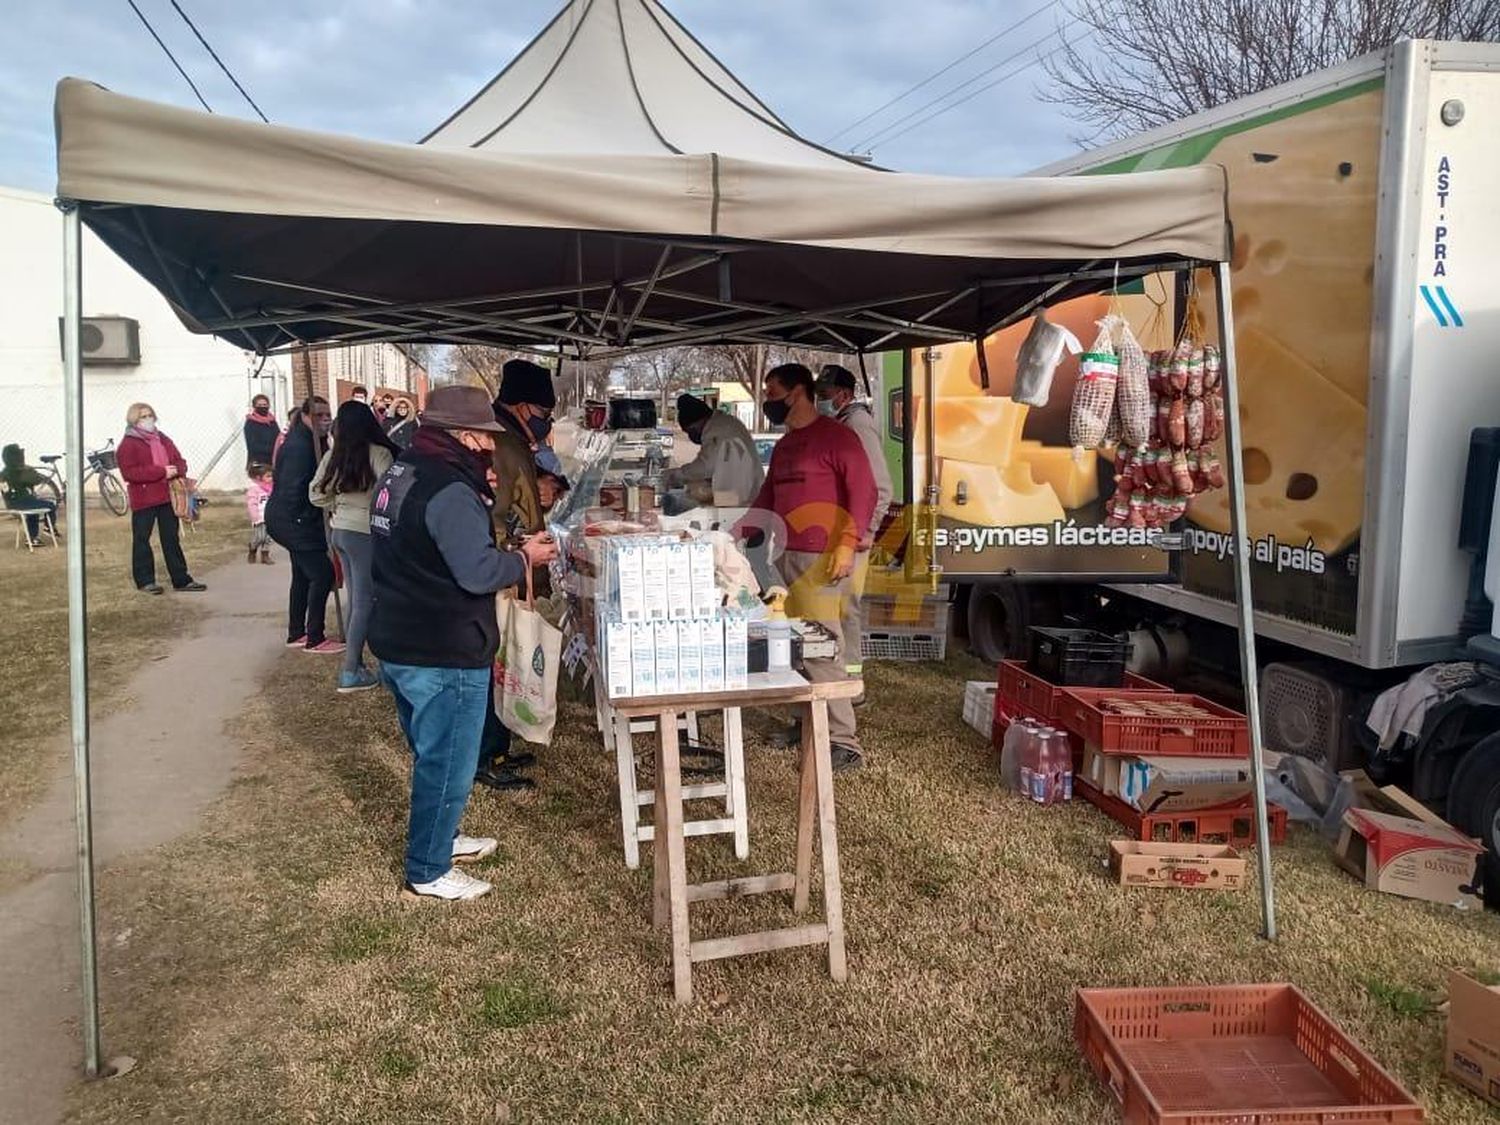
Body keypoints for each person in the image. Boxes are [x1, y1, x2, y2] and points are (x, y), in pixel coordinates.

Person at [368, 385, 558, 901]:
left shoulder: (402, 471)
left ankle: (441, 838)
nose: (488, 448)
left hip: (400, 636)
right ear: (464, 434)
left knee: (435, 753)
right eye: (483, 438)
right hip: (442, 646)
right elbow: (476, 572)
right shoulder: (449, 489)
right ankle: (427, 868)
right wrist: (525, 560)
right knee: (448, 760)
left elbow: (434, 549)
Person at [738, 364, 875, 771]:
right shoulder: (785, 446)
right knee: (792, 648)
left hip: (824, 560)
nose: (768, 399)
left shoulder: (839, 439)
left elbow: (864, 494)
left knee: (822, 647)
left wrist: (848, 545)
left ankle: (842, 740)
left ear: (798, 393)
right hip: (787, 553)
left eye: (772, 391)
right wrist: (734, 532)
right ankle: (806, 724)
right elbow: (767, 496)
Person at [476, 357, 559, 791]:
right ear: (525, 407)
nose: (547, 422)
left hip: (511, 564)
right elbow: (499, 512)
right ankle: (487, 754)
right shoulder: (504, 443)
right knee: (498, 659)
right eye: (545, 414)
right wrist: (519, 554)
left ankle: (498, 746)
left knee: (504, 659)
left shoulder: (510, 439)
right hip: (503, 569)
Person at [815, 365, 893, 693]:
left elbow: (880, 486)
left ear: (843, 395)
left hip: (854, 536)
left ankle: (851, 683)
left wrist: (867, 531)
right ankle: (843, 679)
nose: (820, 401)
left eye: (824, 395)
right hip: (839, 532)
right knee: (836, 608)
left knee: (845, 609)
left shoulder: (858, 425)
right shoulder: (842, 424)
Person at [310, 402, 397, 694]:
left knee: (355, 600)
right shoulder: (380, 453)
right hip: (365, 533)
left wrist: (338, 505)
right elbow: (388, 495)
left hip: (341, 531)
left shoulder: (334, 455)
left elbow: (315, 493)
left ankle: (356, 664)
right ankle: (351, 670)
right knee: (364, 601)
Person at [265, 396, 344, 654]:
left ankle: (296, 632)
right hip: (292, 519)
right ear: (305, 416)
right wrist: (306, 519)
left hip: (293, 519)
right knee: (322, 574)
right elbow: (294, 488)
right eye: (319, 415)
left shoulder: (314, 442)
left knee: (302, 575)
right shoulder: (300, 447)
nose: (325, 420)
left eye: (327, 415)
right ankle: (315, 637)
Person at [116, 403, 206, 594]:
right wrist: (160, 472)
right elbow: (130, 473)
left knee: (171, 538)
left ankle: (181, 579)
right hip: (144, 498)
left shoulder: (163, 439)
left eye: (150, 416)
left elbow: (179, 459)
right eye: (143, 417)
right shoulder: (128, 444)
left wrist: (177, 469)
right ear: (134, 420)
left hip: (167, 496)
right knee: (142, 539)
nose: (148, 420)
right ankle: (145, 580)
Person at [663, 393, 764, 513]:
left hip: (743, 501)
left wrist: (677, 475)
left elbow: (705, 466)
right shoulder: (723, 423)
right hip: (741, 495)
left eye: (692, 430)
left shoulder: (719, 429)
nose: (692, 435)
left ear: (700, 421)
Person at [1, 445, 57, 545]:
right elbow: (37, 479)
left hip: (11, 504)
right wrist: (29, 469)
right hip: (23, 502)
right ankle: (48, 528)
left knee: (33, 509)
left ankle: (32, 538)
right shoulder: (20, 472)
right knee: (51, 505)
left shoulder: (4, 472)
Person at [245, 462, 274, 565]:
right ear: (259, 477)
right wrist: (254, 516)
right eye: (268, 476)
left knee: (269, 537)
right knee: (259, 537)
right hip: (259, 517)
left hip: (270, 516)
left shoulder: (272, 489)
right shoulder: (254, 490)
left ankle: (265, 555)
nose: (271, 478)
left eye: (271, 476)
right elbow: (251, 503)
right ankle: (252, 548)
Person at [243, 394, 280, 471]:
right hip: (258, 462)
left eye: (265, 404)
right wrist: (273, 448)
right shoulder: (251, 423)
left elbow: (278, 437)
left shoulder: (272, 422)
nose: (263, 407)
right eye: (259, 405)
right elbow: (252, 445)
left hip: (273, 461)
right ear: (254, 406)